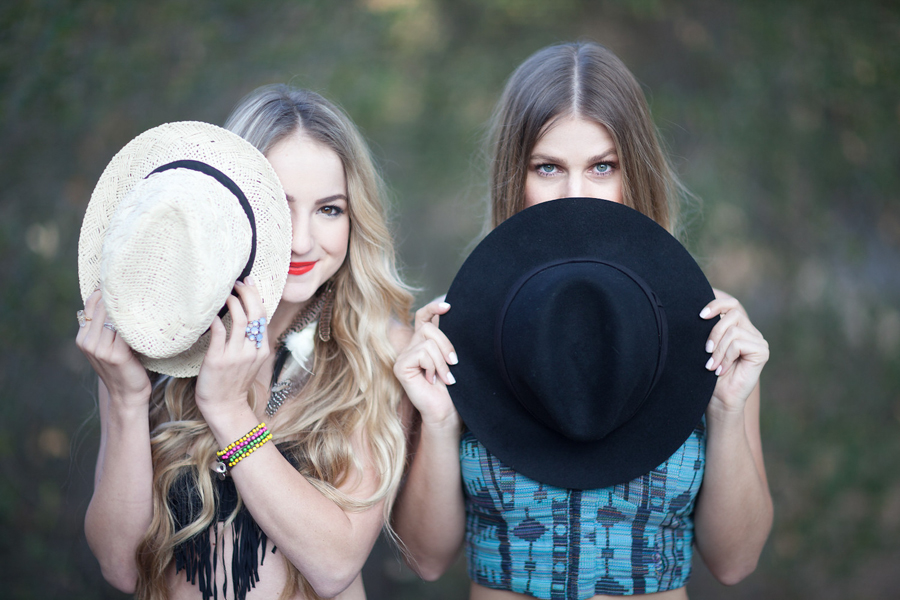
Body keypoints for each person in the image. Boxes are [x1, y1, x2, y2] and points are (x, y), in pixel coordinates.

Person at [392, 41, 772, 599]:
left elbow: (735, 562)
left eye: (602, 167)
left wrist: (727, 407)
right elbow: (425, 560)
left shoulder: (706, 330)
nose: (575, 194)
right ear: (513, 176)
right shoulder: (459, 334)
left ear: (634, 172)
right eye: (547, 167)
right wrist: (441, 422)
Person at [77, 85, 412, 600]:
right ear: (232, 209)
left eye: (329, 210)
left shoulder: (377, 350)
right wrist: (125, 400)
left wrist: (230, 411)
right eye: (279, 206)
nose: (301, 241)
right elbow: (120, 566)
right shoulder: (158, 339)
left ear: (355, 217)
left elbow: (333, 564)